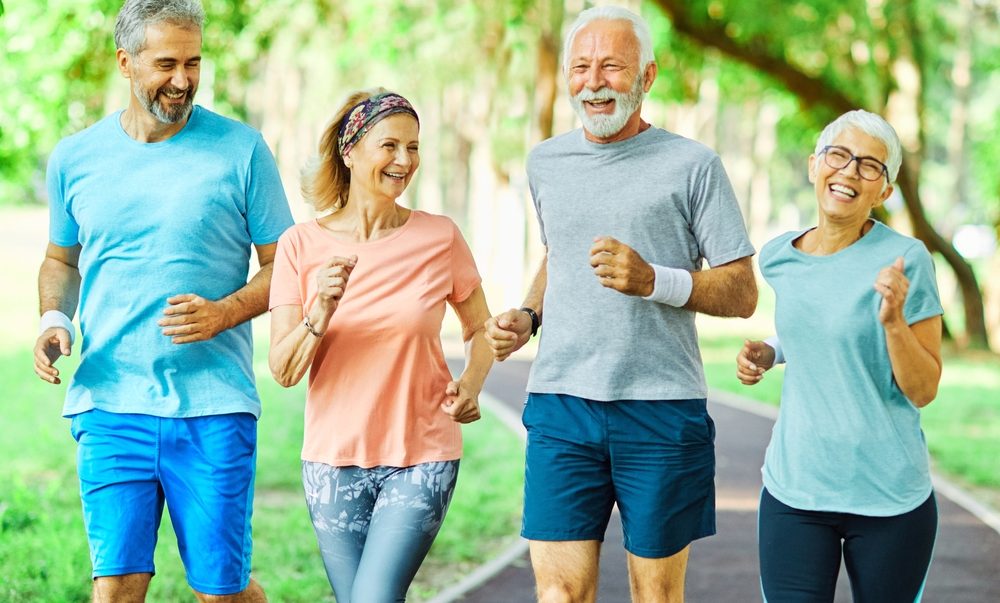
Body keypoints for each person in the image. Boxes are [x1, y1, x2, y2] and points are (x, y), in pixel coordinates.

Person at [484, 6, 757, 602]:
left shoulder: (693, 165)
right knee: (559, 594)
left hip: (661, 407)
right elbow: (559, 254)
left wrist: (653, 280)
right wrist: (529, 315)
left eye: (612, 66)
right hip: (561, 404)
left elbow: (742, 290)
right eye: (581, 67)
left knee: (654, 595)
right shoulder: (545, 162)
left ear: (647, 76)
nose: (594, 82)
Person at [32, 1, 294, 600]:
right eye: (167, 64)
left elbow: (286, 265)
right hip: (109, 403)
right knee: (116, 587)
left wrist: (225, 312)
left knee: (220, 591)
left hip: (213, 406)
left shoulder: (242, 150)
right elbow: (61, 260)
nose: (183, 80)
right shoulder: (75, 158)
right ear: (126, 62)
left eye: (193, 63)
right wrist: (53, 316)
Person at [267, 88, 494, 603]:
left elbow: (480, 327)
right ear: (350, 152)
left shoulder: (439, 237)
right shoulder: (300, 245)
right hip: (332, 459)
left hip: (422, 454)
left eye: (413, 147)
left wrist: (472, 383)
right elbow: (283, 369)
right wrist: (320, 311)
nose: (404, 160)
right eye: (389, 145)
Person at [736, 110, 942, 602]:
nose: (849, 171)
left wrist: (893, 322)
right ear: (814, 165)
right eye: (839, 155)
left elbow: (922, 389)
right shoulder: (779, 257)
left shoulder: (907, 260)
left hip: (889, 495)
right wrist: (771, 352)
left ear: (884, 191)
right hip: (796, 488)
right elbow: (819, 328)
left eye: (869, 165)